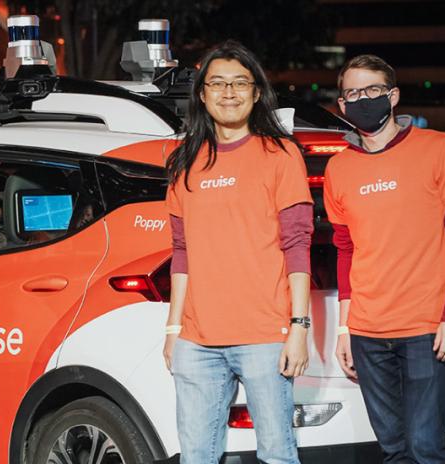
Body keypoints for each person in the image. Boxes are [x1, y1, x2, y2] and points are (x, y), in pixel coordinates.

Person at [162, 41, 311, 464]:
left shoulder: (280, 154)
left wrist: (299, 327)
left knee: (278, 455)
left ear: (256, 92)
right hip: (197, 342)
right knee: (196, 456)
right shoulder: (184, 161)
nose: (229, 92)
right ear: (202, 94)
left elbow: (297, 245)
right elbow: (181, 252)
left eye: (240, 83)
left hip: (265, 336)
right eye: (218, 83)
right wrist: (173, 330)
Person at [326, 55, 445, 464]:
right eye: (353, 93)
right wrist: (344, 329)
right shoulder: (339, 168)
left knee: (426, 449)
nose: (362, 99)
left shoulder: (440, 148)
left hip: (426, 328)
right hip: (367, 333)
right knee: (392, 451)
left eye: (372, 90)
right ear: (342, 104)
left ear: (392, 96)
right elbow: (346, 250)